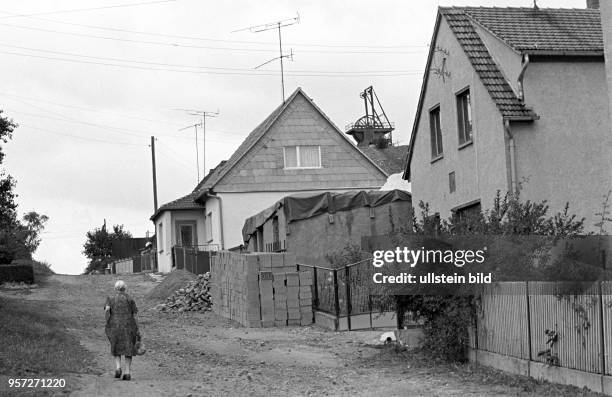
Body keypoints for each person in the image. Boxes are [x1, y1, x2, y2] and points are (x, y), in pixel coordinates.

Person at [104, 280, 140, 381]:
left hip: (115, 326)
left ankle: (118, 367)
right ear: (125, 288)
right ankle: (127, 373)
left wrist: (107, 322)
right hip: (129, 326)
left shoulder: (110, 298)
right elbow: (135, 315)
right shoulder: (130, 299)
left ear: (115, 288)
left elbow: (107, 310)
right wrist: (138, 328)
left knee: (115, 346)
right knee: (128, 348)